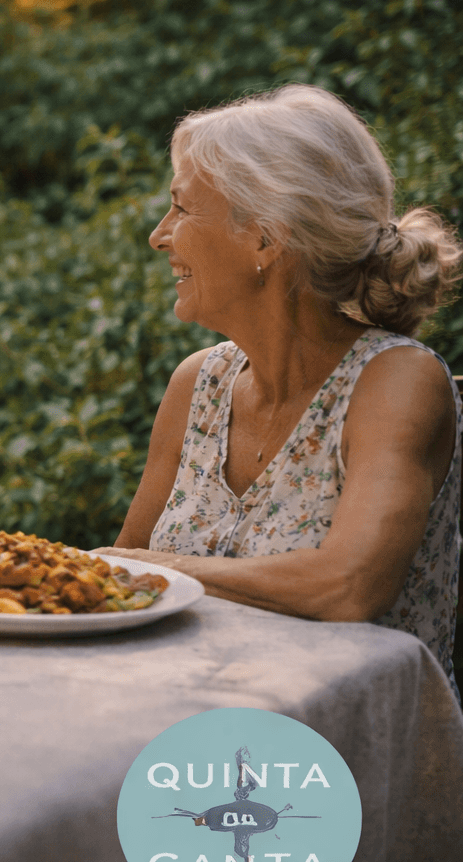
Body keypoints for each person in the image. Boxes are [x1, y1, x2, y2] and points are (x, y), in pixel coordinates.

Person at [97, 84, 462, 698]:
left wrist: (163, 570)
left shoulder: (398, 382)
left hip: (346, 744)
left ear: (265, 239)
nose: (161, 236)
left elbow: (348, 586)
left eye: (182, 208)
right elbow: (120, 580)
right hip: (187, 706)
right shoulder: (199, 383)